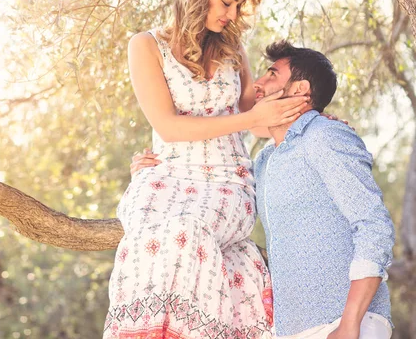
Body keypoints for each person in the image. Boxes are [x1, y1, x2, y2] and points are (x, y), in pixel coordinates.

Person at [103, 0, 309, 339]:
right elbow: (168, 127)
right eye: (227, 2)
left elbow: (262, 117)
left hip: (227, 182)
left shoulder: (233, 50)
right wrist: (251, 119)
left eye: (237, 6)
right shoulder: (146, 46)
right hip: (167, 174)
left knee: (188, 231)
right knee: (147, 235)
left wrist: (311, 117)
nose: (231, 15)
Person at [131, 41, 395, 339]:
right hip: (291, 329)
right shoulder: (265, 160)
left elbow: (374, 226)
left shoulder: (323, 135)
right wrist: (156, 173)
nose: (257, 83)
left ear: (300, 89)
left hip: (346, 323)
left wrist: (350, 323)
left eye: (272, 74)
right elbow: (218, 194)